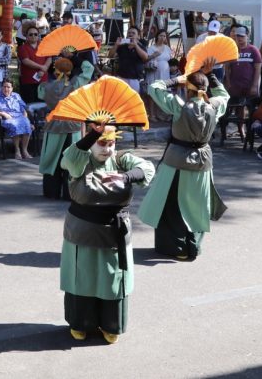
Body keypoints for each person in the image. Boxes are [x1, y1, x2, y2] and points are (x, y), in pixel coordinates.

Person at [60, 122, 155, 344]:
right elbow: (68, 159)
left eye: (111, 143)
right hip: (81, 233)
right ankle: (80, 323)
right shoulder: (81, 160)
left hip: (115, 233)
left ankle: (111, 324)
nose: (107, 149)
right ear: (92, 144)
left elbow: (148, 168)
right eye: (101, 143)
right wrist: (93, 134)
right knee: (82, 277)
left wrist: (126, 177)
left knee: (112, 279)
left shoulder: (122, 159)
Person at [138, 58, 229, 261]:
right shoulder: (214, 105)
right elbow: (224, 95)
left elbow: (154, 87)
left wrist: (176, 79)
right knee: (198, 205)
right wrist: (211, 74)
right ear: (205, 89)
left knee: (172, 205)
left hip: (176, 160)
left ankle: (176, 247)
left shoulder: (180, 106)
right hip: (203, 160)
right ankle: (193, 246)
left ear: (187, 89)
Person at [39, 53, 95, 199]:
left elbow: (39, 92)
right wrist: (75, 58)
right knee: (71, 158)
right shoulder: (76, 84)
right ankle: (70, 193)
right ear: (70, 71)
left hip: (53, 126)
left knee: (52, 158)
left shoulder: (45, 87)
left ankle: (51, 191)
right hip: (72, 125)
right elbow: (89, 68)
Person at [0, 78, 33, 159]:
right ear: (1, 87)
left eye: (8, 87)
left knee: (27, 124)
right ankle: (17, 150)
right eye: (4, 87)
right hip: (6, 119)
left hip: (19, 116)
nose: (6, 89)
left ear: (12, 88)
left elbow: (23, 108)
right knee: (14, 125)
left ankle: (25, 150)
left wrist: (26, 119)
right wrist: (2, 113)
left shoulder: (16, 96)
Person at [17, 25, 52, 104]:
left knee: (42, 104)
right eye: (31, 34)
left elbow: (49, 58)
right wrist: (41, 67)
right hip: (28, 81)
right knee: (29, 105)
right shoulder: (22, 47)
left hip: (43, 80)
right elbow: (26, 61)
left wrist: (43, 70)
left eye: (35, 34)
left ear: (38, 35)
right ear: (26, 36)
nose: (33, 36)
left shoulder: (44, 46)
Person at [108, 26, 148, 93]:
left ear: (138, 36)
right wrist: (116, 44)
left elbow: (145, 57)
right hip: (121, 78)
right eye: (129, 33)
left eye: (133, 33)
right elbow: (110, 55)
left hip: (135, 79)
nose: (130, 34)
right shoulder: (122, 46)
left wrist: (136, 45)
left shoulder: (141, 46)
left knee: (133, 101)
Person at [145, 30, 173, 122]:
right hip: (154, 72)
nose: (162, 38)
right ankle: (152, 115)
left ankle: (161, 114)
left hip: (165, 73)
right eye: (161, 35)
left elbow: (170, 60)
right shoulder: (151, 48)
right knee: (153, 93)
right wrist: (153, 56)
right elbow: (146, 60)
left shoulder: (167, 48)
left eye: (164, 36)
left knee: (163, 93)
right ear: (157, 37)